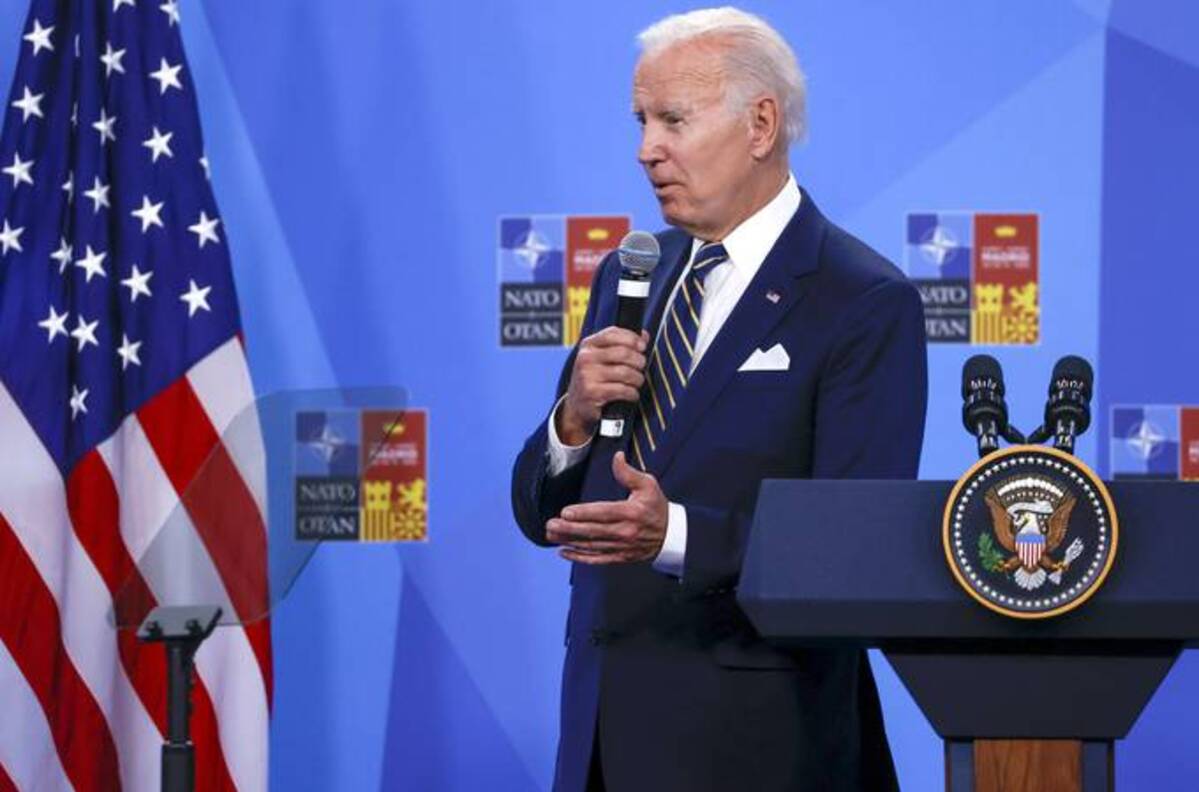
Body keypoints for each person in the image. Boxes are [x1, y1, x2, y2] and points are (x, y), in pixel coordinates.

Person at [511, 7, 927, 791]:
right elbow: (543, 517)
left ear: (759, 124)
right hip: (600, 737)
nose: (646, 148)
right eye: (640, 121)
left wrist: (674, 534)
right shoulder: (630, 273)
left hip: (759, 746)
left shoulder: (861, 300)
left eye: (672, 119)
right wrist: (570, 422)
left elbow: (852, 552)